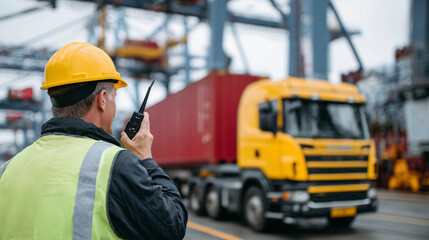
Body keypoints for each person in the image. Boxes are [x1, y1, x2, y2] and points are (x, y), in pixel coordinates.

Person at [0, 42, 188, 240]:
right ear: (103, 99)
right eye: (115, 96)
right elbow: (172, 227)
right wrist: (145, 158)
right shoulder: (115, 165)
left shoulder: (7, 170)